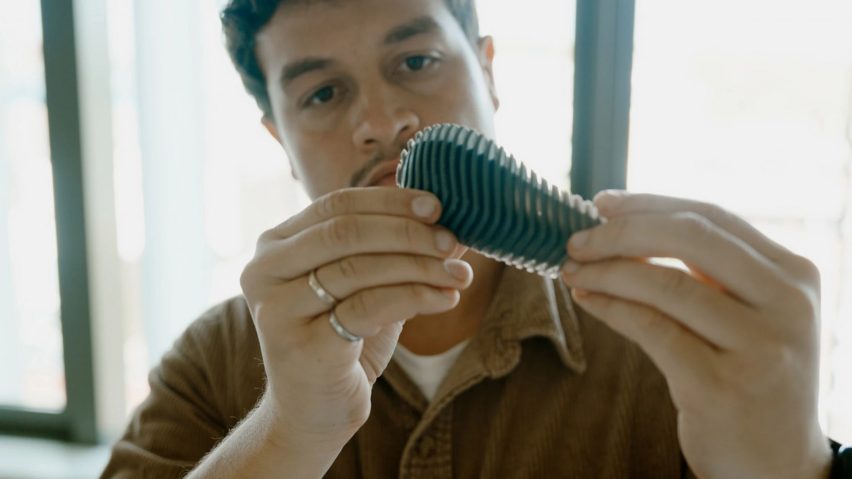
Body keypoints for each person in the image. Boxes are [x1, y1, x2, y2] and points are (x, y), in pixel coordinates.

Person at [101, 0, 835, 477]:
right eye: (323, 93)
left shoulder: (673, 355)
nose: (384, 120)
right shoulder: (214, 366)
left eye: (416, 61)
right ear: (280, 142)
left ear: (488, 73)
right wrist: (287, 432)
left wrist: (793, 466)